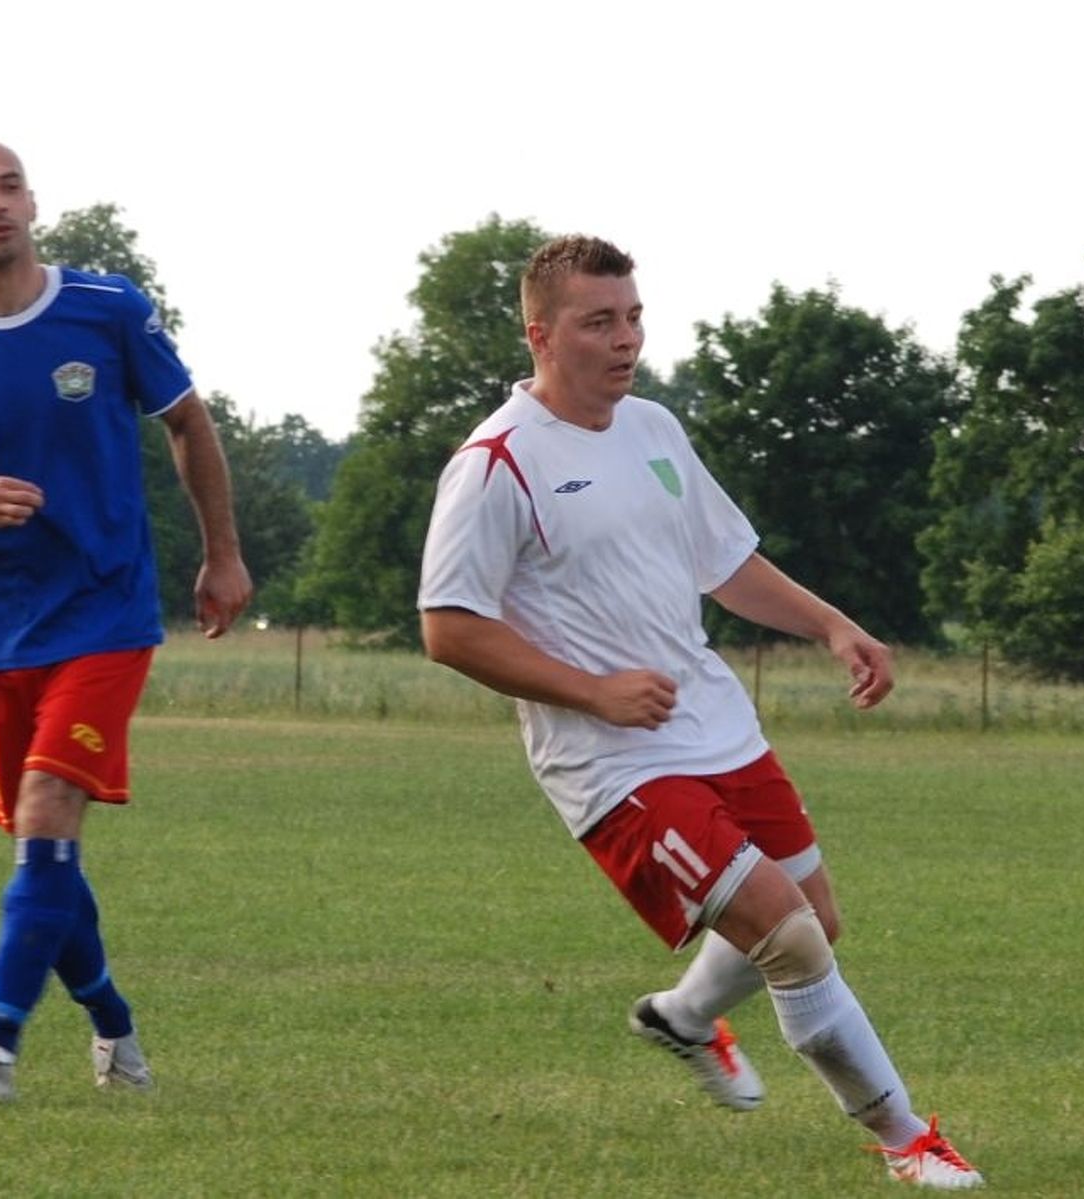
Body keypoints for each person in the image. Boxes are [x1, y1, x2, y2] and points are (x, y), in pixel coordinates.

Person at [417, 235, 983, 1189]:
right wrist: (593, 691)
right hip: (612, 761)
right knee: (787, 935)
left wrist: (833, 627)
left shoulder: (654, 429)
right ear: (540, 334)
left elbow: (722, 562)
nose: (625, 337)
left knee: (816, 918)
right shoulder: (496, 463)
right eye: (599, 321)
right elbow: (448, 628)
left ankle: (680, 1017)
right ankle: (905, 1141)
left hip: (712, 722)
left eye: (632, 315)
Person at [0, 138, 252, 1101]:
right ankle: (115, 1025)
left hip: (106, 614)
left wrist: (220, 552)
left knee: (48, 809)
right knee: (43, 850)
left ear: (32, 202)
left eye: (9, 187)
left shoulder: (107, 307)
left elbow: (186, 422)